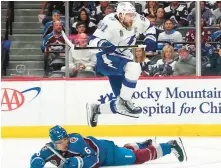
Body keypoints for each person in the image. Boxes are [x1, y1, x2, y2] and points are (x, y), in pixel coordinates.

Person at [87, 2, 157, 127]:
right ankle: (125, 101)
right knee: (135, 67)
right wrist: (103, 43)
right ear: (120, 15)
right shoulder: (108, 22)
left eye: (132, 14)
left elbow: (149, 27)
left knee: (123, 106)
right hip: (107, 58)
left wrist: (150, 37)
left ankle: (97, 109)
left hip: (124, 58)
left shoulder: (137, 19)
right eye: (128, 15)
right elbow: (92, 41)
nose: (131, 17)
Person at [30, 125, 186, 168]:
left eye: (65, 139)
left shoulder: (75, 141)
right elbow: (38, 157)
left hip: (105, 152)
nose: (63, 143)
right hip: (104, 152)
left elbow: (95, 159)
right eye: (59, 142)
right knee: (128, 151)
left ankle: (169, 146)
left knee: (135, 158)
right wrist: (35, 162)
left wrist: (79, 163)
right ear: (53, 142)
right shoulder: (49, 149)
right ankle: (141, 144)